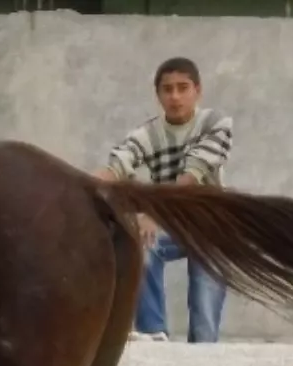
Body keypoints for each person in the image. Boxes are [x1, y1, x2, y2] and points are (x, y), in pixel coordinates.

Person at [93, 56, 234, 343]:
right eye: (167, 89)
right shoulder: (148, 134)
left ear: (198, 90)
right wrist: (81, 186)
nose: (175, 96)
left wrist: (155, 212)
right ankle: (153, 334)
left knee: (205, 329)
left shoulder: (216, 123)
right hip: (172, 226)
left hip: (212, 227)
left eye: (183, 88)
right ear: (158, 95)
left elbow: (193, 174)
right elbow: (119, 163)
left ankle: (203, 354)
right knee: (141, 241)